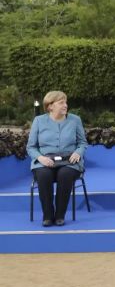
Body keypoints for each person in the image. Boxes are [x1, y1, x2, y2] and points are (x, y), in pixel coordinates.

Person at [27, 91, 87, 227]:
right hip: (45, 161)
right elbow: (30, 147)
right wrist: (40, 158)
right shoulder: (39, 121)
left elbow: (83, 143)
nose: (65, 105)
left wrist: (78, 152)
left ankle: (60, 215)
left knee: (65, 174)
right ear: (50, 106)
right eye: (61, 103)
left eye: (65, 102)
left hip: (70, 162)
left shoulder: (75, 120)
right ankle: (48, 216)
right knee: (43, 175)